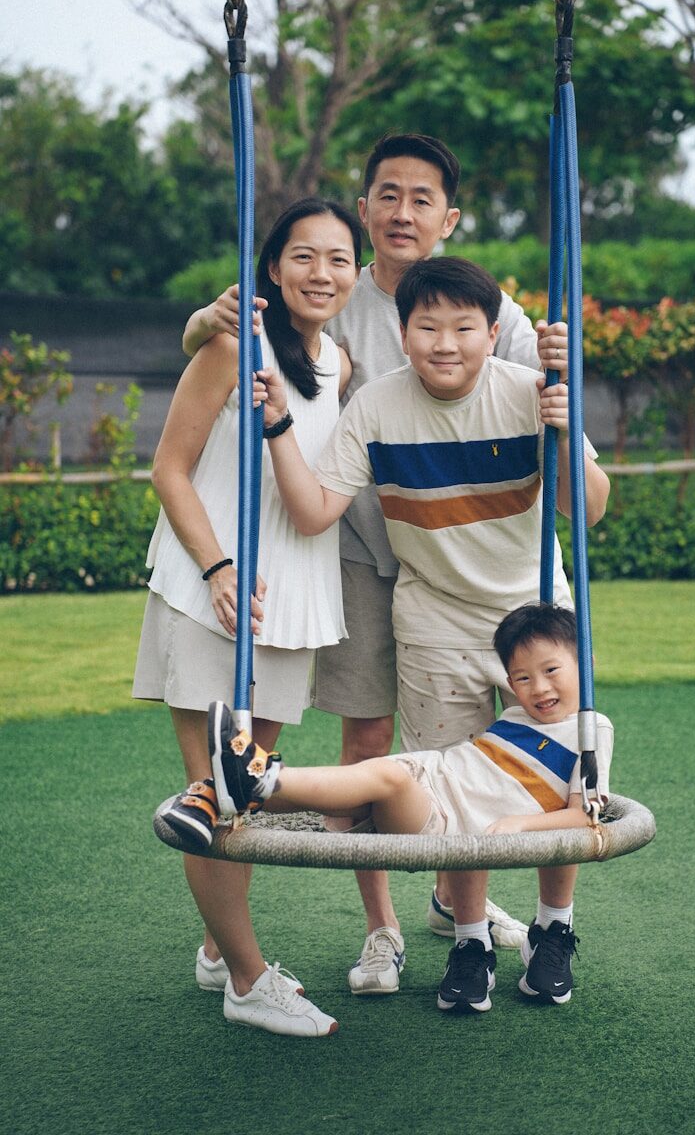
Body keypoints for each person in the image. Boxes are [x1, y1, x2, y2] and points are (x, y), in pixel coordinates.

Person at [185, 133, 580, 992]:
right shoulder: (330, 286)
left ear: (450, 217)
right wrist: (204, 327)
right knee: (373, 734)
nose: (403, 212)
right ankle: (383, 925)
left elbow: (541, 420)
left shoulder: (492, 311)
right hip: (371, 551)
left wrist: (562, 380)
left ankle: (462, 905)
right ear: (366, 211)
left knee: (506, 741)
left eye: (422, 198)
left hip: (488, 559)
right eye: (387, 196)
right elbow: (239, 328)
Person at [254, 254, 610, 1000]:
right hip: (436, 621)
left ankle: (554, 926)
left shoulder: (530, 393)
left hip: (534, 618)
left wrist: (566, 422)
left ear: (491, 333)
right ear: (403, 330)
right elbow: (316, 509)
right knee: (455, 798)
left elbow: (588, 509)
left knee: (562, 777)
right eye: (427, 327)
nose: (445, 343)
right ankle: (471, 940)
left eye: (463, 327)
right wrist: (279, 424)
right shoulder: (377, 408)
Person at [133, 197, 363, 1037]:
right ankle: (246, 979)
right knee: (216, 798)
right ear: (271, 268)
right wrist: (219, 568)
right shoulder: (233, 344)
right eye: (303, 257)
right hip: (213, 593)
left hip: (292, 599)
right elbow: (169, 469)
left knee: (249, 793)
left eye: (339, 259)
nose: (321, 274)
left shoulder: (338, 362)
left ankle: (214, 949)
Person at [195, 602, 614, 1015]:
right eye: (522, 678)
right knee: (356, 785)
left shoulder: (590, 730)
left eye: (551, 671)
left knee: (385, 778)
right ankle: (237, 788)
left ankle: (258, 773)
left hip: (441, 816)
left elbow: (584, 815)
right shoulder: (518, 716)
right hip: (430, 778)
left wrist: (522, 825)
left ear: (587, 664)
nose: (538, 688)